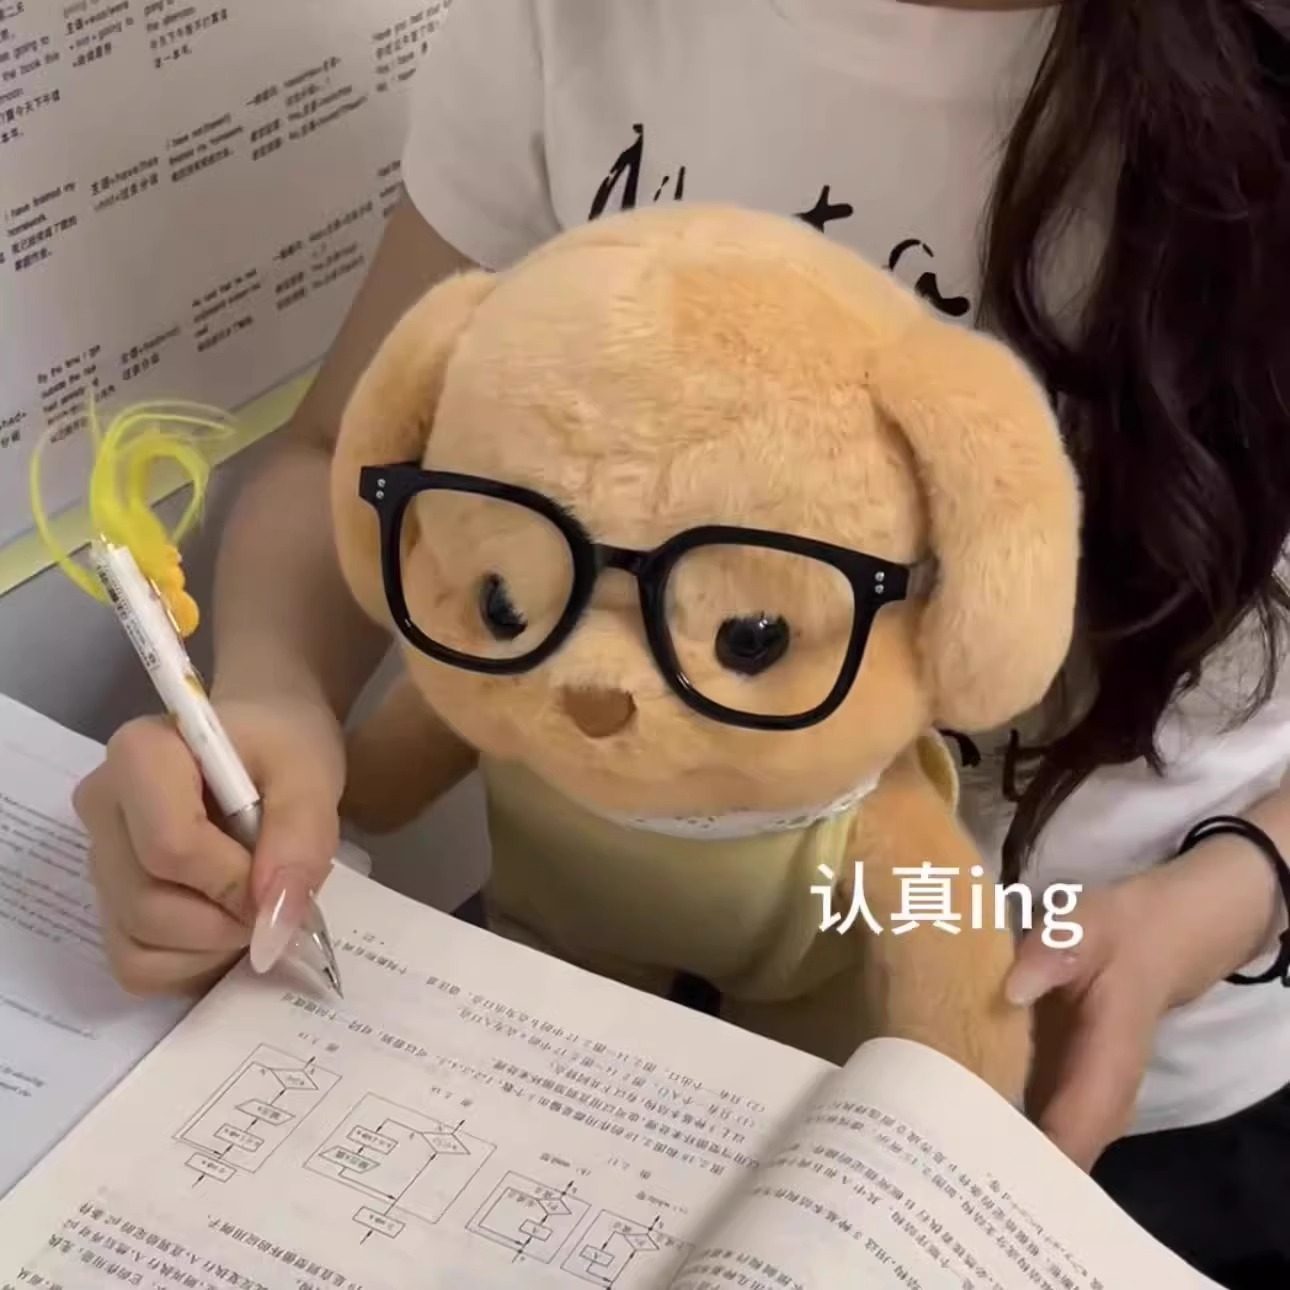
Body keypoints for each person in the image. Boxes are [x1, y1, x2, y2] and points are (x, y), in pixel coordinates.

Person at [71, 2, 1290, 1283]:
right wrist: (271, 708)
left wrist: (1238, 887)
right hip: (584, 1021)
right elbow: (342, 447)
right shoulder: (577, 20)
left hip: (1130, 1095)